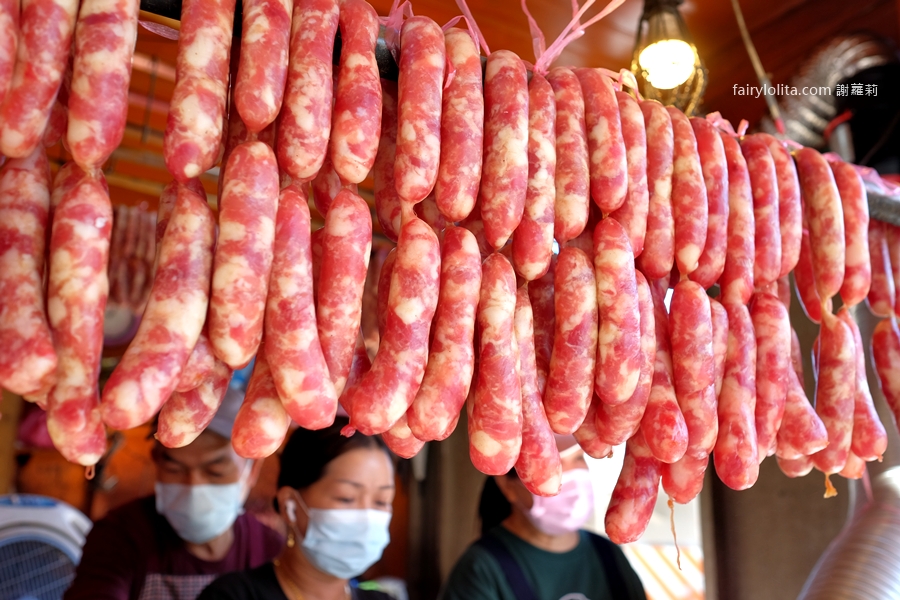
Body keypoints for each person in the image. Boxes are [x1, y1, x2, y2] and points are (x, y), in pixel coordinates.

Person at [66, 388, 283, 600]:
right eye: (175, 468)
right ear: (157, 461)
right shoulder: (120, 537)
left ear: (251, 470)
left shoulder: (269, 550)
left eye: (215, 471)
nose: (193, 486)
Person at [197, 417, 396, 600]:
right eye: (346, 498)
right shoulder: (232, 596)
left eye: (381, 501)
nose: (367, 517)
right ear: (290, 505)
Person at [440, 436, 646, 600]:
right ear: (506, 485)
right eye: (551, 463)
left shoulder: (608, 555)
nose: (571, 473)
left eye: (578, 458)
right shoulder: (482, 569)